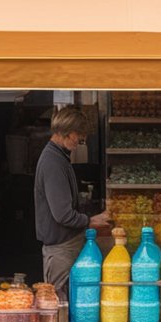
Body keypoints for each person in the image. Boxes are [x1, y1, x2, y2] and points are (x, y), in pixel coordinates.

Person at [35, 105, 110, 296]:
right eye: (78, 134)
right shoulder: (53, 163)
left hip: (65, 245)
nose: (80, 140)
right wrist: (91, 221)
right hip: (61, 249)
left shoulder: (59, 158)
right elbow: (63, 215)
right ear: (65, 132)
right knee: (60, 302)